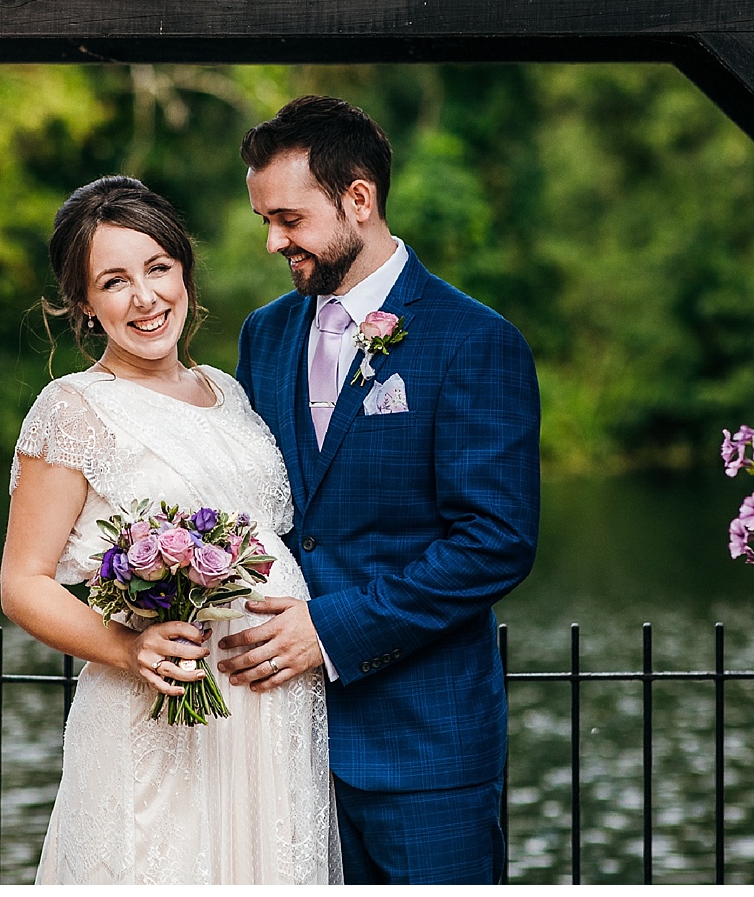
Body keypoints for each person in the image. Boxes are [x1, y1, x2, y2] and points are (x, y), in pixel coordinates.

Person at [221, 95, 539, 884]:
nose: (272, 241)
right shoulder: (264, 334)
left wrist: (329, 632)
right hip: (282, 748)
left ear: (358, 199)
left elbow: (495, 542)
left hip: (425, 751)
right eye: (265, 219)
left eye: (289, 219)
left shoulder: (476, 341)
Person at [2, 176, 340, 884]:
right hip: (157, 714)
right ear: (84, 303)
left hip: (266, 714)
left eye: (158, 268)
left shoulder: (229, 392)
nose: (146, 298)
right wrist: (129, 649)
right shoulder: (72, 409)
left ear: (184, 269)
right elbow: (23, 583)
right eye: (115, 281)